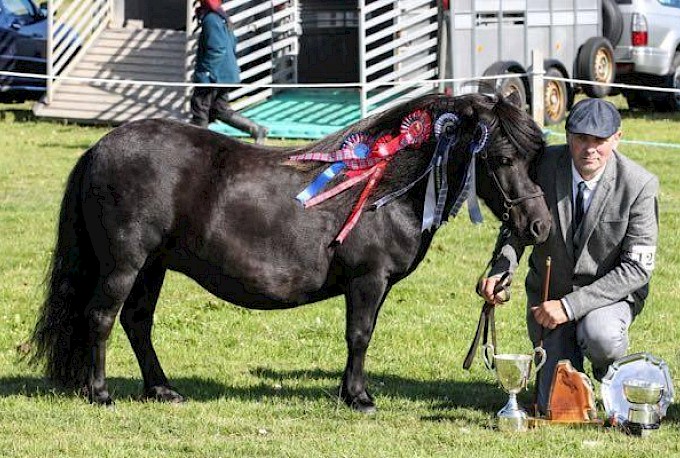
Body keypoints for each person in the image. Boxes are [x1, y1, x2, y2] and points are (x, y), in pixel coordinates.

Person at [479, 98, 659, 414]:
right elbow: (518, 228)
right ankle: (563, 363)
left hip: (608, 300)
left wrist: (570, 306)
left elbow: (636, 269)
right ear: (567, 136)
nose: (590, 149)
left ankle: (610, 374)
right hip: (548, 300)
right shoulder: (541, 166)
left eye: (600, 140)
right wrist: (501, 268)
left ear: (617, 137)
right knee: (554, 406)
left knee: (600, 335)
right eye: (581, 139)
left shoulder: (640, 185)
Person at [190, 0, 268, 144]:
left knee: (200, 107)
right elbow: (233, 43)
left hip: (214, 75)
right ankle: (256, 129)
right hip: (225, 73)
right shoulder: (222, 17)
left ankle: (198, 144)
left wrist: (207, 72)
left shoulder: (211, 19)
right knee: (219, 109)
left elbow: (217, 48)